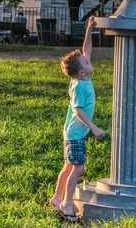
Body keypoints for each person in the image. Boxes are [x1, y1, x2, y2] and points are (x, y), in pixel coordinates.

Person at [50, 16, 106, 222]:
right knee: (78, 168)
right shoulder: (80, 85)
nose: (89, 60)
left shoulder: (83, 77)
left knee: (68, 167)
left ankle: (57, 198)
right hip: (75, 133)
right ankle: (66, 203)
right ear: (82, 71)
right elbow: (78, 110)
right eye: (87, 62)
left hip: (72, 132)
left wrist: (89, 31)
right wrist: (93, 127)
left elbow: (86, 51)